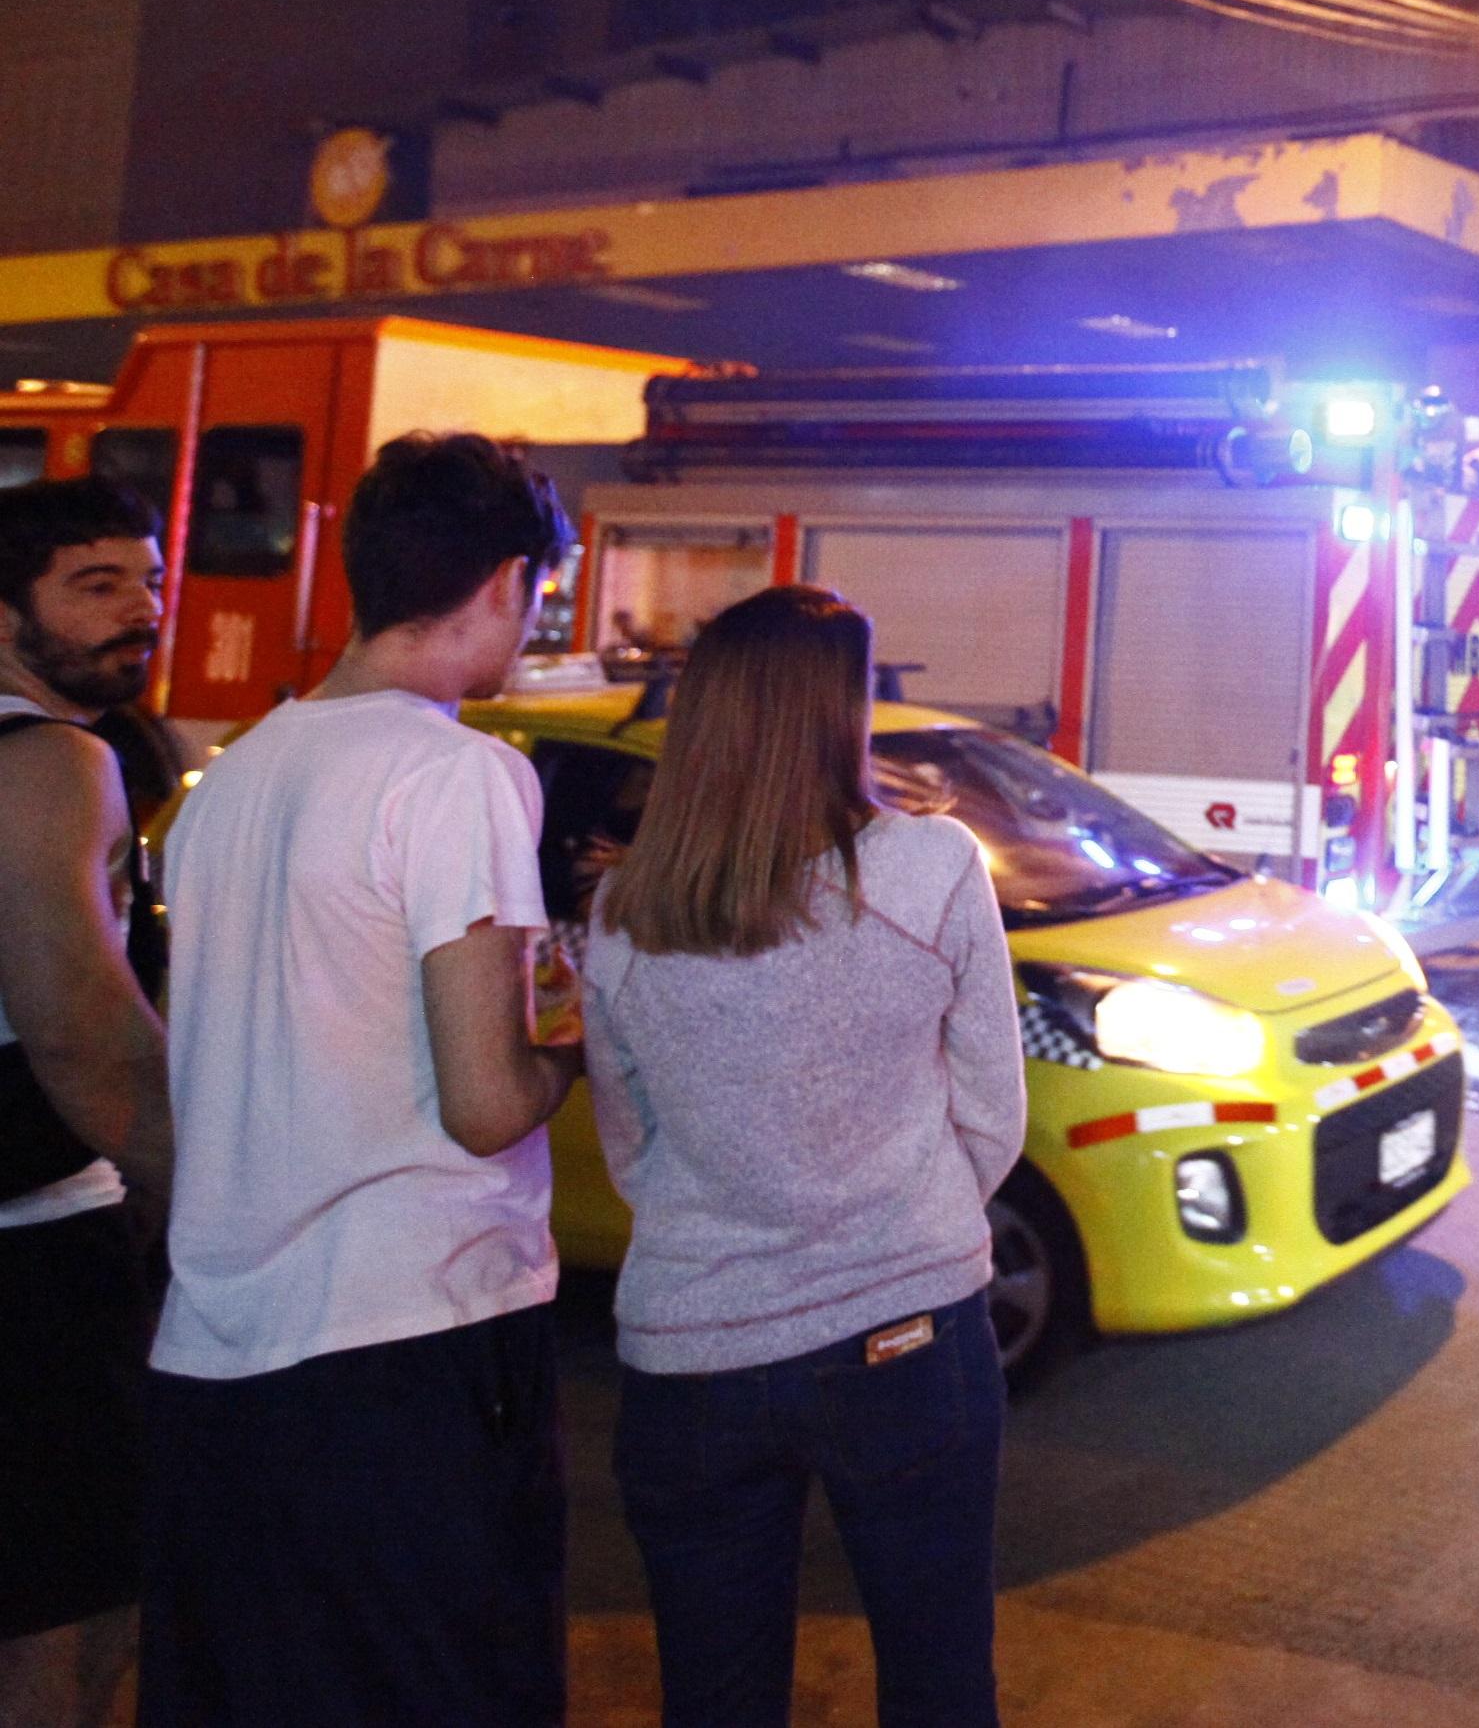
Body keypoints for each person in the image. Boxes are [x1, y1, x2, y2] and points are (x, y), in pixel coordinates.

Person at [142, 433, 584, 1728]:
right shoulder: (458, 773)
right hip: (411, 1343)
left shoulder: (234, 777)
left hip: (216, 1350)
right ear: (506, 580)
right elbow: (485, 1100)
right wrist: (573, 1033)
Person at [582, 586, 1021, 1727]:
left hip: (692, 1352)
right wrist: (904, 1218)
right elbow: (991, 1110)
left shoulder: (625, 909)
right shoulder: (929, 866)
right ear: (838, 712)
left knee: (715, 1697)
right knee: (939, 1681)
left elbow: (632, 1141)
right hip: (907, 1334)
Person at [0, 480, 173, 1728]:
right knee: (72, 1613)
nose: (143, 610)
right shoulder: (54, 758)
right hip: (40, 1246)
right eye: (96, 584)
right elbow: (80, 1027)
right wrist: (206, 1184)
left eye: (150, 579)